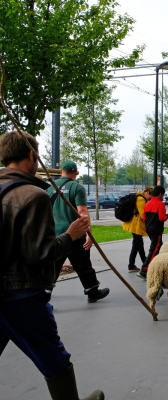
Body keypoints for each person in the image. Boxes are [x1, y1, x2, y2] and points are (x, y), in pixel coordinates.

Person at [0, 130, 104, 399]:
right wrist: (71, 235)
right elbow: (40, 253)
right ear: (32, 156)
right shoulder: (33, 195)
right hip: (20, 293)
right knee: (53, 355)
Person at [47, 161, 109, 303]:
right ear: (75, 172)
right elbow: (82, 212)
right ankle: (92, 291)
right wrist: (89, 233)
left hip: (55, 235)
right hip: (76, 234)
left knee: (53, 266)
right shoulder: (77, 187)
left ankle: (44, 296)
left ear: (61, 171)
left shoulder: (49, 188)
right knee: (83, 264)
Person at [137, 185, 168, 280]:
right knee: (154, 249)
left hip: (149, 228)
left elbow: (143, 217)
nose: (163, 197)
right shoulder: (160, 204)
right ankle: (145, 270)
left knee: (159, 246)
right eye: (162, 195)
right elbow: (162, 218)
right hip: (156, 229)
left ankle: (156, 267)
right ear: (160, 194)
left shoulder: (148, 203)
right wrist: (166, 216)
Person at [122, 186, 153, 273]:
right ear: (147, 193)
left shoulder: (140, 198)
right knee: (137, 244)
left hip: (136, 224)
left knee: (138, 244)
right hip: (136, 225)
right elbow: (143, 214)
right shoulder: (141, 199)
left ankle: (142, 262)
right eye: (150, 197)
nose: (150, 199)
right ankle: (133, 264)